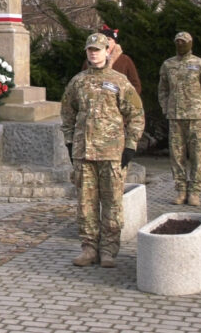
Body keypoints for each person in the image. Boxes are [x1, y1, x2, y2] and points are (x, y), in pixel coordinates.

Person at [60, 32, 145, 268]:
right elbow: (67, 114)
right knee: (85, 204)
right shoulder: (78, 82)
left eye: (97, 50)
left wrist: (131, 145)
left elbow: (136, 114)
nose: (93, 54)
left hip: (112, 153)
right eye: (90, 50)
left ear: (107, 51)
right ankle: (89, 248)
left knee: (112, 203)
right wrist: (70, 142)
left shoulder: (119, 81)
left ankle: (108, 250)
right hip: (84, 153)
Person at [158, 31, 201, 207]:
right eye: (177, 42)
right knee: (177, 156)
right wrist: (165, 108)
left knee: (197, 155)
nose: (180, 45)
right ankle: (181, 190)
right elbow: (162, 89)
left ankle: (195, 192)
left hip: (195, 117)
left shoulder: (200, 64)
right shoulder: (168, 65)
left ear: (190, 44)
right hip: (175, 117)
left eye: (184, 42)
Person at [82, 24, 142, 94]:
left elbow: (136, 85)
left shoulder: (125, 60)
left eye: (108, 39)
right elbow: (82, 82)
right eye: (103, 39)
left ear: (115, 42)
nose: (106, 42)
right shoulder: (90, 61)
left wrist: (124, 97)